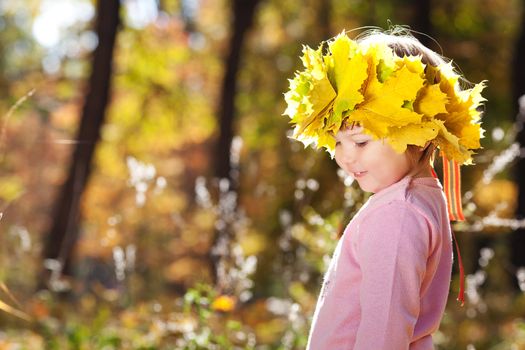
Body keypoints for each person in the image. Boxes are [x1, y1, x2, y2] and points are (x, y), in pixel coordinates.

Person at [283, 27, 486, 349]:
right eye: (336, 141)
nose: (345, 156)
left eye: (361, 141)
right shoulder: (420, 197)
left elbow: (384, 332)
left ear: (418, 135)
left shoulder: (398, 214)